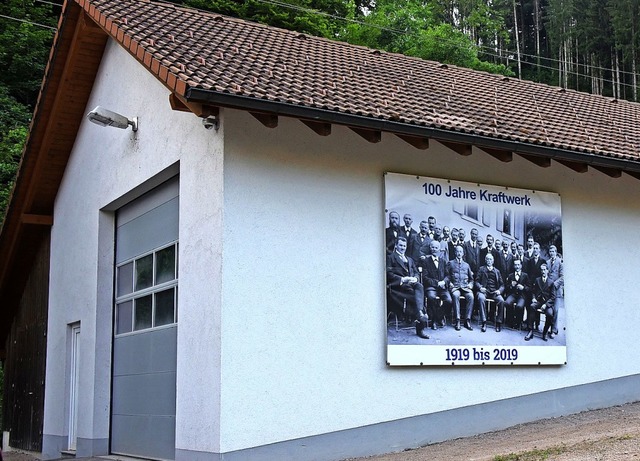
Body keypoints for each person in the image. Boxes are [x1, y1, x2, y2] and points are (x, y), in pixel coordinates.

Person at [386, 237, 429, 339]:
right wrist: (402, 279)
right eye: (400, 245)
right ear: (396, 245)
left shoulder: (409, 259)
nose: (402, 248)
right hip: (398, 287)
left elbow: (416, 272)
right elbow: (388, 274)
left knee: (419, 286)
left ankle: (419, 313)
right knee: (415, 295)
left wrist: (415, 278)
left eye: (404, 246)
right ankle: (420, 325)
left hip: (411, 284)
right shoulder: (390, 257)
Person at [420, 239, 452, 330]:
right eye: (432, 247)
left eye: (436, 248)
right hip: (431, 287)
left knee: (449, 301)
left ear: (439, 249)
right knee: (431, 297)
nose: (434, 249)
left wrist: (444, 282)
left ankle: (438, 317)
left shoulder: (443, 261)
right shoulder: (426, 261)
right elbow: (425, 278)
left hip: (442, 287)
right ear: (430, 248)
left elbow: (448, 276)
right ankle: (434, 321)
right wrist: (437, 283)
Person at [446, 245, 475, 331]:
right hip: (455, 287)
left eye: (460, 252)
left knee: (471, 296)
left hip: (465, 287)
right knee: (455, 295)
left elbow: (471, 279)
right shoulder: (450, 263)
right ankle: (457, 320)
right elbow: (447, 276)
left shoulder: (466, 265)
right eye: (457, 251)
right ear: (455, 253)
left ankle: (467, 320)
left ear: (463, 253)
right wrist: (450, 283)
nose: (459, 253)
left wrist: (470, 284)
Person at [525, 263, 556, 341]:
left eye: (544, 270)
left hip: (547, 303)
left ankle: (545, 332)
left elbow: (553, 297)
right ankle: (530, 331)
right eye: (541, 270)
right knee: (532, 306)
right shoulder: (537, 280)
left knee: (549, 314)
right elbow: (533, 291)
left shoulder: (551, 282)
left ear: (547, 271)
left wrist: (546, 305)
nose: (543, 271)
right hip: (538, 301)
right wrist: (533, 298)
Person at [475, 253, 505, 332]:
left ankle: (498, 323)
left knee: (501, 301)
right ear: (485, 260)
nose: (489, 261)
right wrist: (480, 288)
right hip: (484, 291)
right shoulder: (481, 269)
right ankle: (484, 322)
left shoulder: (497, 271)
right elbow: (476, 281)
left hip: (494, 291)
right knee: (481, 298)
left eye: (490, 259)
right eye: (487, 259)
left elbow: (502, 285)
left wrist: (499, 290)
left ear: (493, 261)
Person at [504, 258, 531, 330]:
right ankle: (511, 320)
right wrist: (511, 286)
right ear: (513, 266)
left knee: (519, 306)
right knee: (507, 303)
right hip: (512, 294)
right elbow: (506, 287)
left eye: (518, 265)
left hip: (521, 295)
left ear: (521, 266)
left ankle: (518, 322)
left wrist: (523, 287)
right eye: (515, 265)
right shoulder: (510, 276)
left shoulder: (525, 275)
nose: (517, 266)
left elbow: (529, 288)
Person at [546, 245, 564, 336]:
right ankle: (548, 328)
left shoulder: (560, 262)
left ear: (556, 252)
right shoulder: (547, 262)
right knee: (550, 310)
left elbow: (563, 277)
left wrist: (555, 284)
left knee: (556, 310)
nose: (551, 253)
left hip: (557, 290)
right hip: (549, 290)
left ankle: (553, 330)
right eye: (550, 251)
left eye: (553, 251)